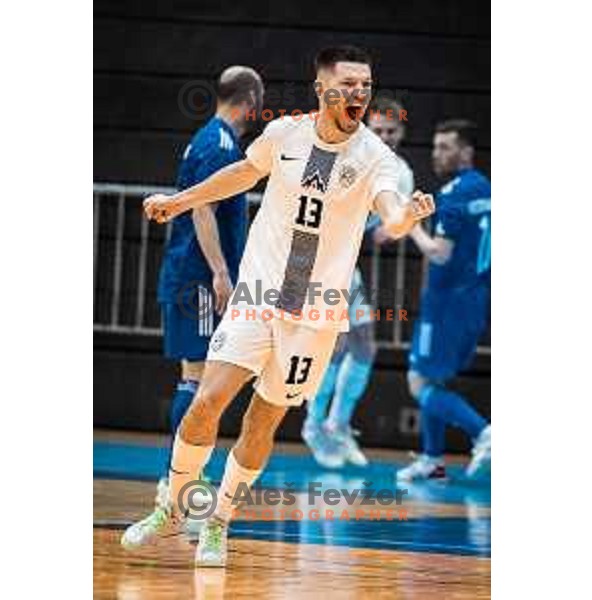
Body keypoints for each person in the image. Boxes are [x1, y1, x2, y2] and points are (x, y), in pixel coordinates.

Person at [143, 45, 435, 568]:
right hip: (259, 295)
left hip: (315, 313)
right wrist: (180, 201)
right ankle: (174, 503)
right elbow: (240, 174)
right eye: (348, 84)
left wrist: (403, 218)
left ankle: (218, 522)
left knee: (262, 422)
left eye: (365, 85)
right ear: (322, 89)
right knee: (206, 399)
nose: (359, 94)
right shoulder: (284, 134)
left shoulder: (376, 158)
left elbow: (390, 210)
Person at [121, 66, 264, 548]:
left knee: (199, 379)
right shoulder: (219, 145)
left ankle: (180, 490)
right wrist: (221, 272)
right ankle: (176, 490)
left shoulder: (209, 138)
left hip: (194, 276)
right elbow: (202, 208)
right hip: (199, 279)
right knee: (198, 379)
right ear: (250, 102)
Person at [302, 96, 415, 468]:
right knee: (335, 346)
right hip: (322, 260)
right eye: (379, 129)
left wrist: (396, 228)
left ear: (402, 133)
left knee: (363, 347)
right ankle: (316, 425)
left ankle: (335, 423)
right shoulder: (348, 156)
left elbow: (393, 223)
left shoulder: (400, 170)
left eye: (392, 131)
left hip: (348, 264)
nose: (386, 136)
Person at [397, 119, 491, 482]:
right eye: (435, 146)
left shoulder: (452, 195)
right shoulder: (483, 186)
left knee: (418, 382)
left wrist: (413, 224)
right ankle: (432, 460)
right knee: (438, 380)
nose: (437, 153)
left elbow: (438, 253)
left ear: (466, 151)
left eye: (445, 147)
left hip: (446, 304)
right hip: (474, 300)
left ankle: (485, 433)